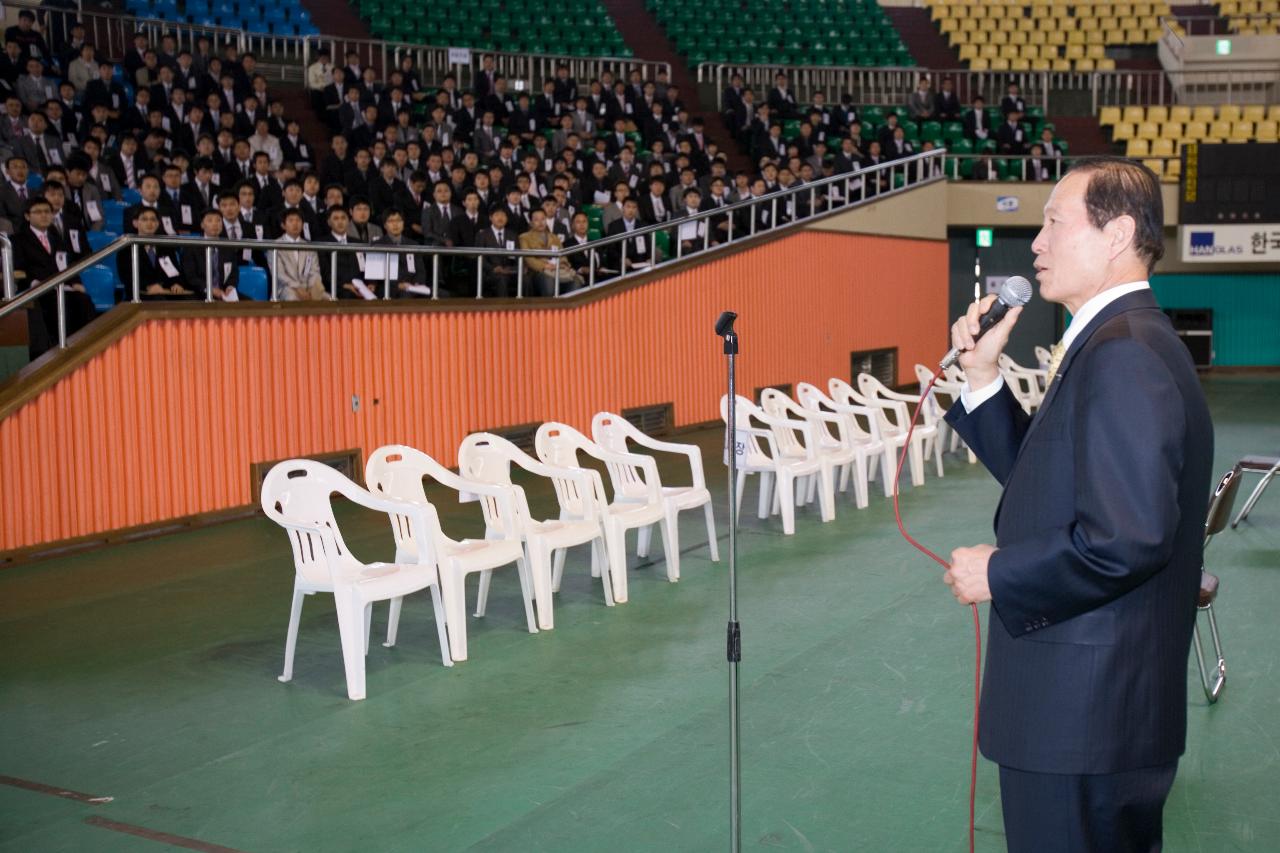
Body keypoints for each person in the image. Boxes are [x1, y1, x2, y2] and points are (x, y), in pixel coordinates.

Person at [941, 157, 1213, 852]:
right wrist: (981, 377)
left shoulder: (1125, 353)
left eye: (1053, 223)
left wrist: (998, 573)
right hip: (1097, 712)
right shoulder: (1117, 340)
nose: (1035, 244)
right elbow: (1051, 477)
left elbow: (1127, 538)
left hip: (1084, 718)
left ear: (1117, 233)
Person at [180, 208, 242, 300]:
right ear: (202, 225)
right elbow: (191, 277)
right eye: (210, 220)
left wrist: (230, 287)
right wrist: (210, 289)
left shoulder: (228, 248)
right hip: (199, 292)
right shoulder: (191, 247)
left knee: (249, 303)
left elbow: (233, 274)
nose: (215, 224)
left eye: (218, 220)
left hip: (223, 293)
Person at [518, 208, 579, 296]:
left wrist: (563, 265)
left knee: (576, 281)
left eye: (543, 219)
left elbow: (563, 255)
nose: (540, 222)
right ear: (531, 222)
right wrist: (545, 266)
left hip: (557, 270)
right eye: (536, 220)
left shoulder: (554, 237)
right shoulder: (524, 237)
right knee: (548, 281)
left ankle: (566, 308)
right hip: (538, 272)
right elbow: (529, 259)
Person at [274, 208, 330, 300]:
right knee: (292, 298)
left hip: (308, 287)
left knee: (329, 299)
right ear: (283, 225)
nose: (295, 224)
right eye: (291, 220)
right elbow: (280, 274)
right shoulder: (275, 246)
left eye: (298, 220)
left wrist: (312, 288)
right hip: (286, 287)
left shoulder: (309, 246)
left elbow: (315, 271)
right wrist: (297, 288)